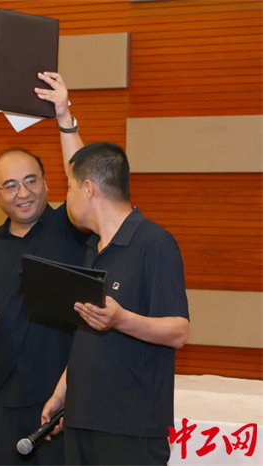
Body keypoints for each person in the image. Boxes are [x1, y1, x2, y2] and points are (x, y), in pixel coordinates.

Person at [36, 71, 190, 465]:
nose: (66, 195)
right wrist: (62, 391)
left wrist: (121, 319)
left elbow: (178, 330)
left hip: (131, 431)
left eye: (70, 187)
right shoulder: (94, 247)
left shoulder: (154, 242)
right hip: (82, 420)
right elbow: (88, 333)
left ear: (89, 190)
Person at [0, 95, 90, 463]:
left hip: (63, 401)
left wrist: (65, 118)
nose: (23, 193)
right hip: (4, 400)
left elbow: (85, 181)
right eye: (11, 185)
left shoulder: (71, 229)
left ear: (47, 183)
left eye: (31, 180)